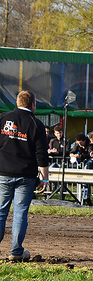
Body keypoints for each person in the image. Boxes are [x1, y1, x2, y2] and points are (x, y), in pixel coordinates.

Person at [0, 90, 49, 262]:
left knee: (0, 212)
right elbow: (42, 154)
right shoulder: (36, 124)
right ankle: (16, 251)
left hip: (3, 173)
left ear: (17, 102)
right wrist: (44, 178)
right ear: (32, 105)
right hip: (26, 176)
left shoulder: (3, 118)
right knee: (20, 213)